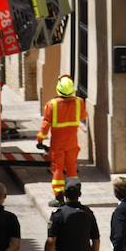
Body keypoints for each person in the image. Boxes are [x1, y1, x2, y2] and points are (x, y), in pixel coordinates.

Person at [41, 178, 100, 251]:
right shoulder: (88, 213)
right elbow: (96, 240)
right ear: (80, 194)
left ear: (64, 194)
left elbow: (51, 242)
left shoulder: (58, 214)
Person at [37, 74, 87, 202]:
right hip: (72, 143)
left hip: (58, 144)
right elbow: (83, 116)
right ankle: (74, 195)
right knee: (72, 168)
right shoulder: (79, 102)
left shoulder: (52, 104)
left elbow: (45, 125)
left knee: (58, 169)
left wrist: (40, 140)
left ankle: (59, 198)